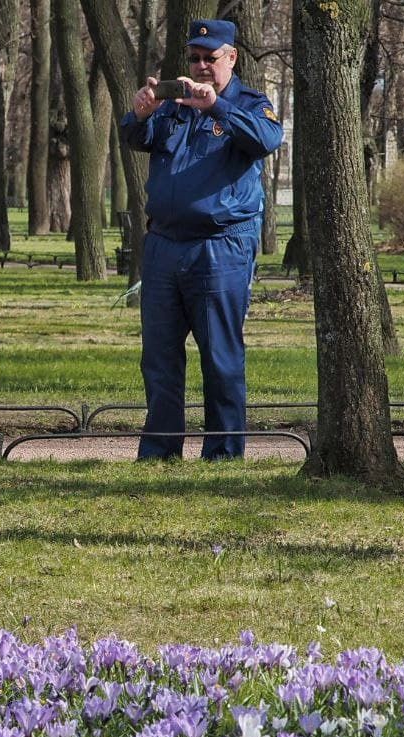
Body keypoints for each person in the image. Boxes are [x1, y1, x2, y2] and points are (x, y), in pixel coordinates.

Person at [119, 19, 283, 461]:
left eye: (210, 57)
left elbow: (267, 139)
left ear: (231, 57)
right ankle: (161, 453)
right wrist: (138, 114)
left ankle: (224, 454)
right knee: (159, 357)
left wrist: (217, 109)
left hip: (220, 247)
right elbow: (136, 139)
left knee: (221, 357)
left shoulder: (250, 103)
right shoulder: (174, 104)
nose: (201, 65)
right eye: (194, 57)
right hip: (164, 246)